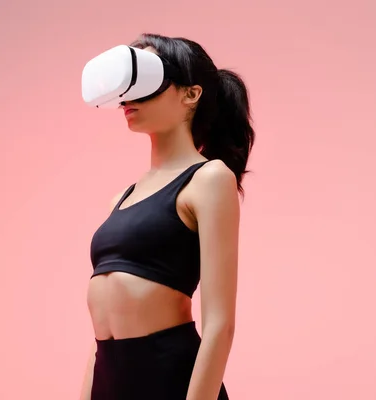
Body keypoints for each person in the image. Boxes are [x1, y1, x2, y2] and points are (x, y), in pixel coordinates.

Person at [78, 33, 255, 400]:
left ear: (191, 94)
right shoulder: (119, 199)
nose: (129, 97)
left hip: (169, 379)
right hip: (110, 379)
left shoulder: (208, 179)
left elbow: (220, 324)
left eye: (145, 79)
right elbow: (99, 342)